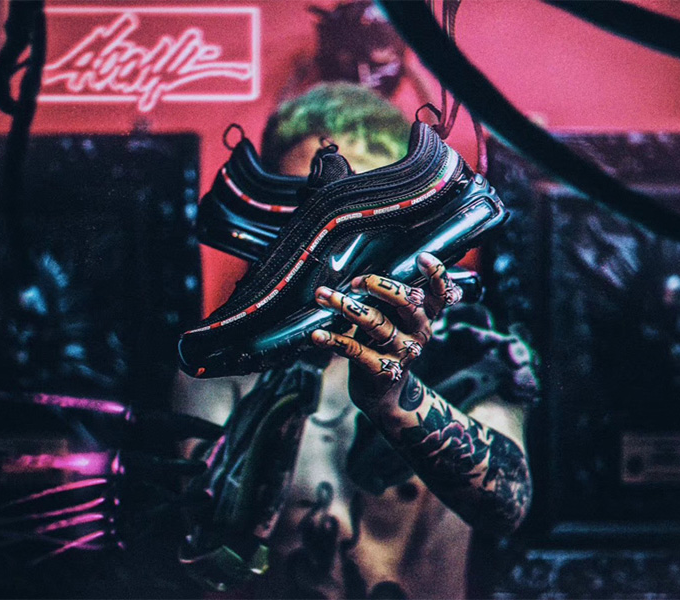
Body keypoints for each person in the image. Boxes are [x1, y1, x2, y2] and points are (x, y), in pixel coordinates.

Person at [174, 83, 537, 599]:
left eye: (365, 209)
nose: (335, 244)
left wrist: (395, 397)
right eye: (309, 214)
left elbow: (509, 504)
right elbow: (209, 541)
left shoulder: (470, 353)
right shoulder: (223, 364)